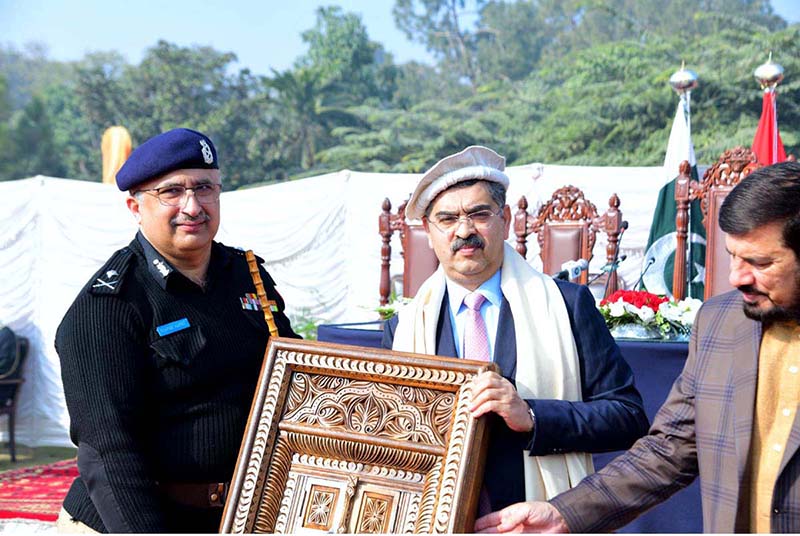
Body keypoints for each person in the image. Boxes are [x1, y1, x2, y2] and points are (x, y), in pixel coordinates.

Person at [474, 161, 800, 534]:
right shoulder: (721, 324)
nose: (735, 277)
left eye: (759, 263)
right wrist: (564, 514)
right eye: (733, 256)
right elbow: (668, 451)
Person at [55, 128, 299, 533]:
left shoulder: (246, 275)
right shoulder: (108, 307)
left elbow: (293, 376)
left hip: (240, 516)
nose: (193, 206)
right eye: (171, 192)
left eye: (205, 188)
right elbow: (108, 454)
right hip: (139, 521)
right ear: (135, 207)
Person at [382, 145, 649, 513]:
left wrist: (533, 416)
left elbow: (628, 416)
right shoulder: (404, 328)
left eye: (479, 214)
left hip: (538, 517)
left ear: (505, 219)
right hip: (437, 519)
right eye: (447, 219)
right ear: (429, 231)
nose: (464, 230)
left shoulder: (566, 305)